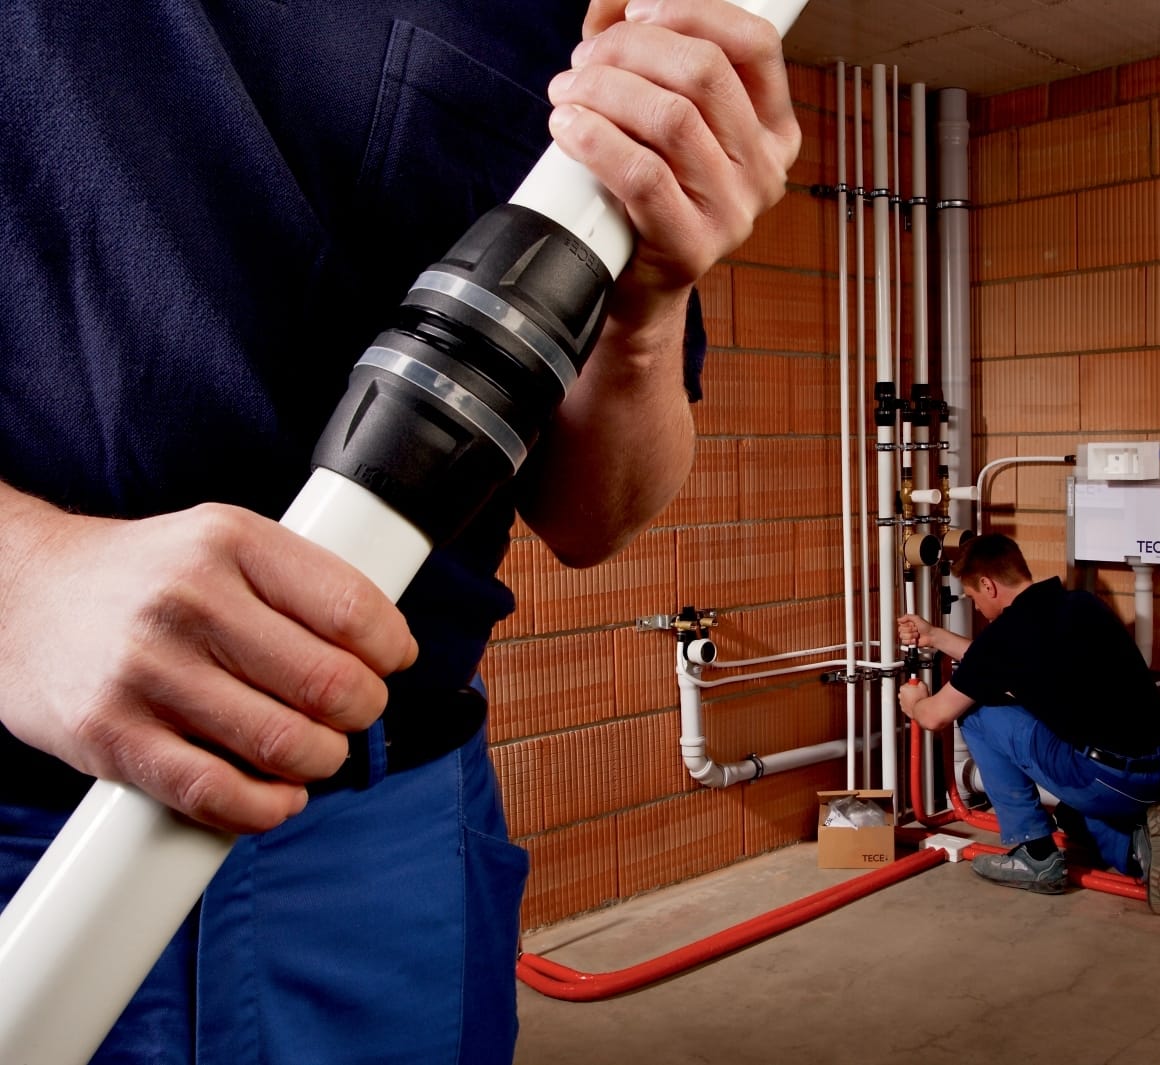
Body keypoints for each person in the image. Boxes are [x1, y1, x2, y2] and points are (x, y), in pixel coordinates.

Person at [0, 1, 800, 1062]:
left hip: (389, 830)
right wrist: (20, 580)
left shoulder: (584, 19)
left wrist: (645, 312)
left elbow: (592, 518)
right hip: (27, 821)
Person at [897, 534, 1160, 914]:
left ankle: (1035, 854)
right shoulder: (1082, 604)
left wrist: (914, 703)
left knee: (976, 713)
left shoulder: (1006, 636)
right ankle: (1136, 850)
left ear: (988, 585)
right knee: (1070, 816)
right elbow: (992, 661)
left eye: (973, 597)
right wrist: (935, 636)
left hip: (1110, 781)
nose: (978, 607)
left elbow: (936, 715)